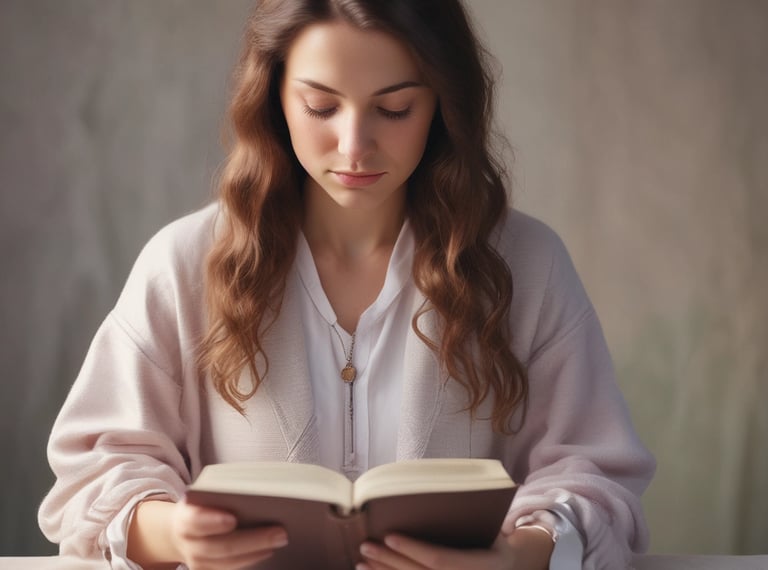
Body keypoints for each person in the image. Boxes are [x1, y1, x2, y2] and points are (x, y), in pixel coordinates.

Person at [38, 0, 655, 568]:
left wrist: (518, 557)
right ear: (274, 94)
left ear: (443, 103)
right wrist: (175, 533)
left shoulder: (527, 264)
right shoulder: (183, 263)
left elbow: (595, 475)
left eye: (394, 108)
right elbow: (95, 472)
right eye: (321, 106)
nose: (354, 146)